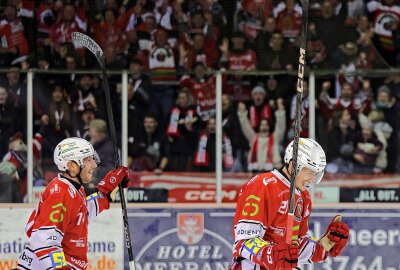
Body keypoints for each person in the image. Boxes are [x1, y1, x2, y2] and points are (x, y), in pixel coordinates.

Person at [230, 138, 350, 269]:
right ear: (293, 166)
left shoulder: (304, 197)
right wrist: (272, 254)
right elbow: (244, 242)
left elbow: (295, 248)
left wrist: (324, 246)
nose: (312, 179)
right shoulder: (262, 185)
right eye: (310, 172)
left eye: (316, 174)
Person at [17, 137, 129, 269]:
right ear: (72, 165)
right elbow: (43, 240)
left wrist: (106, 191)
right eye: (88, 159)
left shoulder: (73, 189)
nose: (94, 164)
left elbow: (80, 218)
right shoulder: (59, 193)